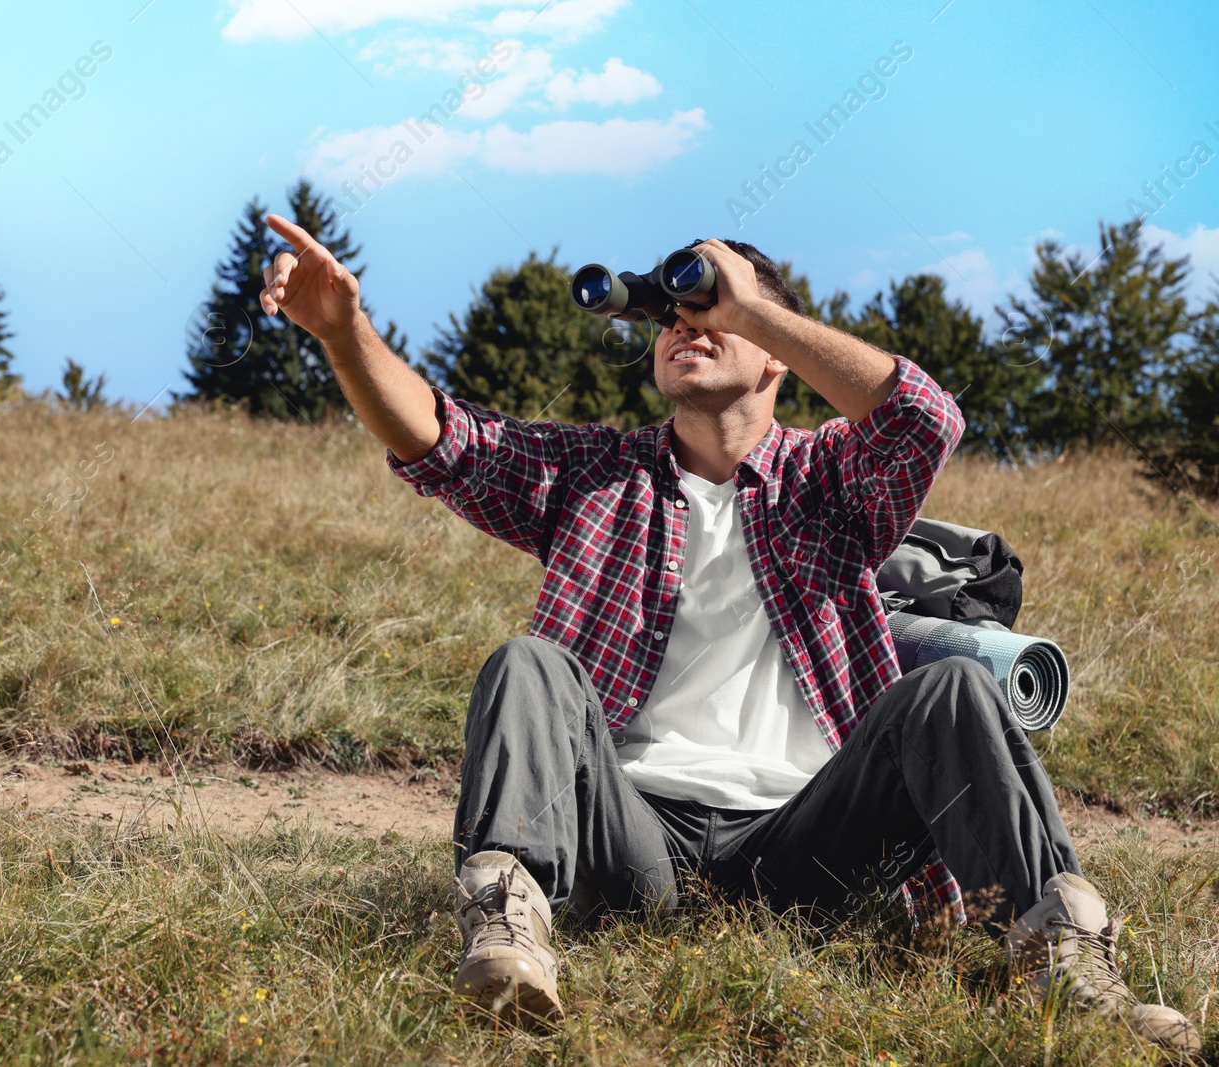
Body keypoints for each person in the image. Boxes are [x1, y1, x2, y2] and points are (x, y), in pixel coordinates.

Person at [256, 216, 1200, 1057]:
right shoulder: (597, 474)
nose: (684, 327)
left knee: (952, 689)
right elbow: (442, 442)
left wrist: (748, 306)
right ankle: (506, 929)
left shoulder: (830, 481)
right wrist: (346, 335)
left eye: (710, 312)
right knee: (530, 664)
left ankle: (1066, 964)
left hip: (811, 841)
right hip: (637, 840)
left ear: (773, 352)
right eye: (671, 316)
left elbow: (926, 420)